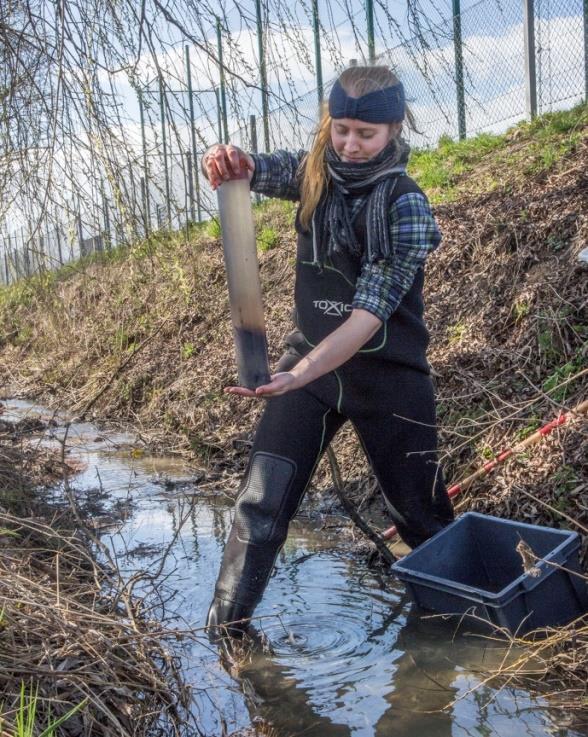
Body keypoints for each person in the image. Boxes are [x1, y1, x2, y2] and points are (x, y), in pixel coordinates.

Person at [202, 65, 454, 636]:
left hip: (388, 379)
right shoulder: (316, 170)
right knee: (260, 504)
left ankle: (454, 649)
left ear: (393, 128)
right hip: (308, 371)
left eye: (366, 134)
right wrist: (231, 161)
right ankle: (225, 636)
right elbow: (257, 169)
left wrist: (299, 372)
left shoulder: (404, 203)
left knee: (422, 519)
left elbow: (367, 316)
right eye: (341, 129)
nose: (351, 144)